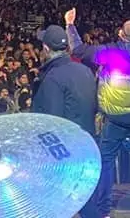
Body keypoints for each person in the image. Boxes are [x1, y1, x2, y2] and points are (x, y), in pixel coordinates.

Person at [65, 8, 130, 216]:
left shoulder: (112, 53)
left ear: (120, 34)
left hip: (116, 120)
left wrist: (70, 25)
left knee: (106, 162)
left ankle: (104, 210)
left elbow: (78, 50)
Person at [31, 24, 100, 218]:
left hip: (62, 151)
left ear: (45, 49)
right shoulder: (85, 71)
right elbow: (94, 106)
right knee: (85, 199)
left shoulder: (52, 77)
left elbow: (52, 120)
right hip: (87, 142)